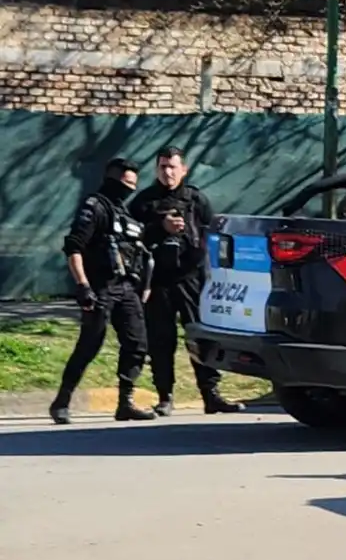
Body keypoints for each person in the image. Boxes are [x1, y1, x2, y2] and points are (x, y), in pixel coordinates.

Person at [128, 146, 244, 416]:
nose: (167, 172)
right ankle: (165, 396)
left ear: (184, 169)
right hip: (157, 282)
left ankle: (211, 394)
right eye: (162, 167)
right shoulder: (144, 202)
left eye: (172, 167)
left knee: (202, 337)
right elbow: (132, 239)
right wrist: (160, 228)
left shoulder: (196, 199)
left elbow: (211, 234)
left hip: (192, 279)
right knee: (160, 340)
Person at [50, 158, 156, 424]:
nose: (130, 189)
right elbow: (74, 247)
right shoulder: (95, 207)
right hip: (100, 287)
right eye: (126, 183)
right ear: (112, 180)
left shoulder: (127, 214)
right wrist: (83, 285)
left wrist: (143, 286)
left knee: (137, 343)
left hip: (127, 287)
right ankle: (62, 401)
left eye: (134, 184)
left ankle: (125, 403)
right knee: (89, 344)